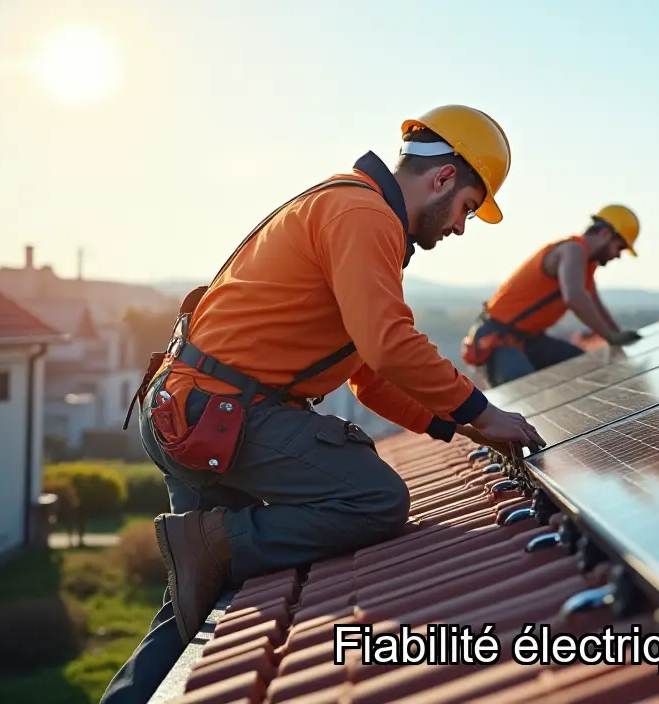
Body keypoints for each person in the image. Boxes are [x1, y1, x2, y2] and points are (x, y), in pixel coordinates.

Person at [99, 104, 545, 703]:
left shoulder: (352, 210)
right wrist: (483, 413)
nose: (461, 227)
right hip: (220, 415)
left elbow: (369, 376)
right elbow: (389, 345)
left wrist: (457, 428)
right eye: (467, 207)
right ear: (442, 179)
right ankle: (212, 543)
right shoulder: (364, 216)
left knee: (195, 593)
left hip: (196, 413)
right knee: (374, 499)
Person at [463, 204, 644, 386]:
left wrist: (619, 336)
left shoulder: (587, 265)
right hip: (497, 337)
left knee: (583, 364)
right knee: (522, 388)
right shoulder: (572, 250)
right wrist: (610, 336)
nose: (618, 255)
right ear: (605, 234)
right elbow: (575, 297)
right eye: (619, 247)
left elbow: (595, 304)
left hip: (529, 339)